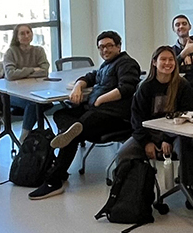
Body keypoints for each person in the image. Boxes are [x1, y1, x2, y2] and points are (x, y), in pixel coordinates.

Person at [28, 30, 141, 200]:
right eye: (101, 47)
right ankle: (71, 132)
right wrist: (77, 87)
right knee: (61, 113)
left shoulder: (126, 63)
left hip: (114, 117)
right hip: (94, 112)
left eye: (109, 46)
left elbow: (127, 88)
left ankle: (54, 180)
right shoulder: (106, 65)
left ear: (119, 46)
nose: (105, 50)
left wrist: (100, 100)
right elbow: (90, 76)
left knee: (74, 132)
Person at [117, 46, 193, 208]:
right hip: (149, 134)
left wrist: (167, 138)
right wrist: (146, 142)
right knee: (124, 153)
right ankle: (130, 193)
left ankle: (192, 186)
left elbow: (186, 115)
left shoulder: (182, 86)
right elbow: (137, 119)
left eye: (171, 60)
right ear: (154, 63)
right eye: (163, 59)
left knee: (186, 146)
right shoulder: (145, 87)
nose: (168, 63)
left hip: (176, 133)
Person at [3, 24, 51, 142]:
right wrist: (33, 69)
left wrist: (21, 72)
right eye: (22, 33)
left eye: (28, 32)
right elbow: (10, 74)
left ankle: (36, 137)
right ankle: (24, 137)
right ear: (16, 37)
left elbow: (44, 71)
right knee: (34, 104)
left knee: (40, 102)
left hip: (35, 91)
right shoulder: (11, 52)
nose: (26, 36)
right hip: (14, 93)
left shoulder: (38, 50)